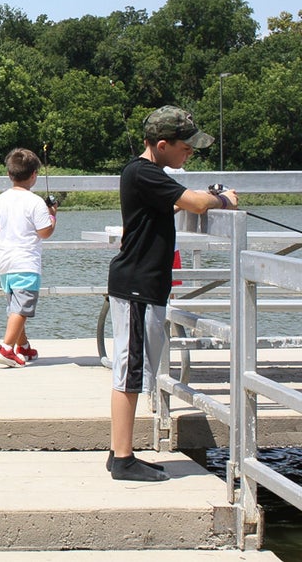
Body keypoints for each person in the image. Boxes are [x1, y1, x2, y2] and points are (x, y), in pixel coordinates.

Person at [106, 106, 238, 481]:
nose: (190, 153)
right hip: (136, 286)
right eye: (186, 146)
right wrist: (224, 199)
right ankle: (123, 459)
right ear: (162, 145)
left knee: (133, 368)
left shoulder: (151, 174)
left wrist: (207, 195)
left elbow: (185, 196)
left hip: (142, 285)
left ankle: (120, 451)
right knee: (130, 370)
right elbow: (195, 202)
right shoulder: (143, 172)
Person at [0, 147, 57, 368]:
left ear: (9, 174)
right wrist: (52, 215)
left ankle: (23, 346)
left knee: (15, 307)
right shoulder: (35, 202)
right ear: (35, 175)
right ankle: (7, 348)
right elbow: (45, 232)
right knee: (21, 308)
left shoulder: (1, 199)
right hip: (26, 262)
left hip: (5, 263)